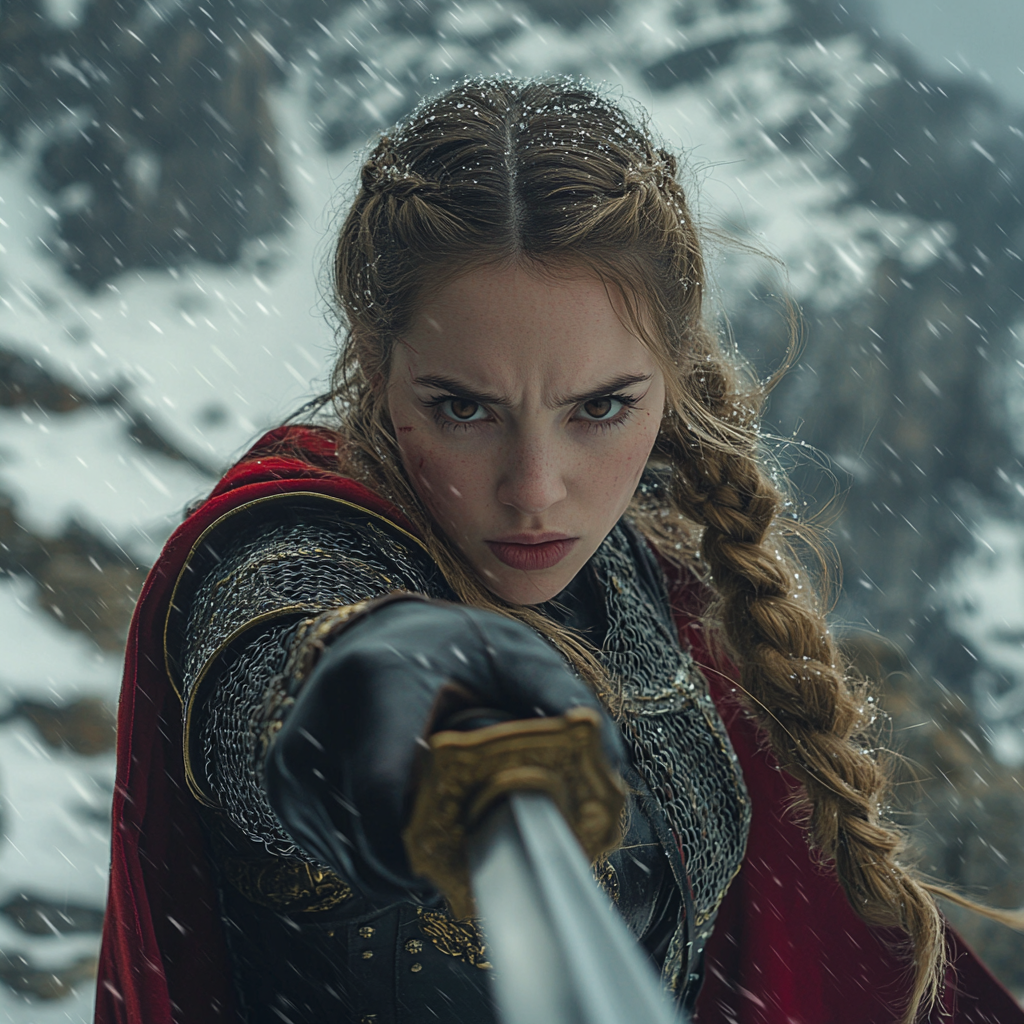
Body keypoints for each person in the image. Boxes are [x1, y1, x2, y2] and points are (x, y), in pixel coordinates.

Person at [94, 77, 1024, 1024]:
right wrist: (358, 681)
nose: (535, 487)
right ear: (378, 371)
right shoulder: (291, 543)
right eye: (463, 408)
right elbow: (269, 657)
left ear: (671, 376)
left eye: (600, 409)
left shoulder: (642, 562)